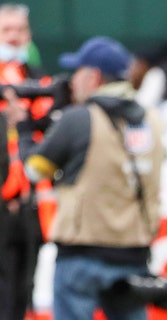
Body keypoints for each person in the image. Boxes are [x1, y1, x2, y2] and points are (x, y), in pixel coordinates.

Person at [10, 36, 165, 320]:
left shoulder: (79, 118)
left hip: (81, 255)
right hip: (134, 255)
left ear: (93, 77)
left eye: (77, 73)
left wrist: (22, 127)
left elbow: (33, 169)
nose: (72, 82)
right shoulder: (153, 120)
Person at [0, 4, 55, 320]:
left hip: (32, 205)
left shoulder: (39, 81)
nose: (13, 37)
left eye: (19, 30)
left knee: (25, 288)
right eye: (6, 30)